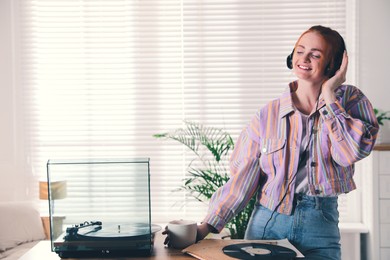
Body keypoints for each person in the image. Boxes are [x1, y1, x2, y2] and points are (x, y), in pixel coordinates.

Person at [164, 25, 379, 260]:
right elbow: (243, 179)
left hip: (321, 227)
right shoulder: (268, 115)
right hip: (267, 225)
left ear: (334, 64)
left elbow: (350, 152)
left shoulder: (351, 102)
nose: (304, 58)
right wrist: (207, 226)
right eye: (299, 51)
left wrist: (329, 95)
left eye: (315, 54)